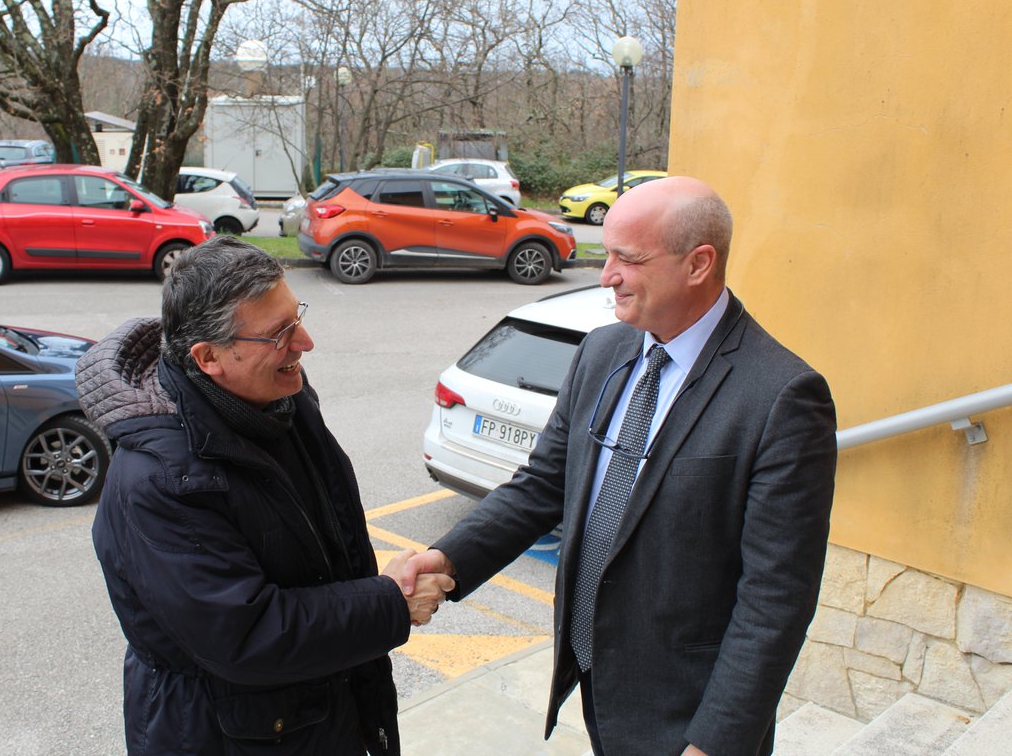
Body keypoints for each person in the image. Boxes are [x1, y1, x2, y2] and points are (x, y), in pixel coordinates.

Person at [401, 176, 837, 756]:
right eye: (607, 254)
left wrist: (716, 742)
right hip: (598, 686)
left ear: (699, 264)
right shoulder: (602, 350)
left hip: (690, 717)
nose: (606, 276)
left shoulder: (783, 396)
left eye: (629, 259)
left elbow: (776, 598)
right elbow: (542, 486)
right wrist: (448, 557)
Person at [76, 236, 453, 756]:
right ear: (208, 357)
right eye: (279, 333)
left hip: (314, 712)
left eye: (297, 317)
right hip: (226, 736)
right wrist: (390, 603)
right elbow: (245, 634)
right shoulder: (159, 481)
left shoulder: (277, 398)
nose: (305, 343)